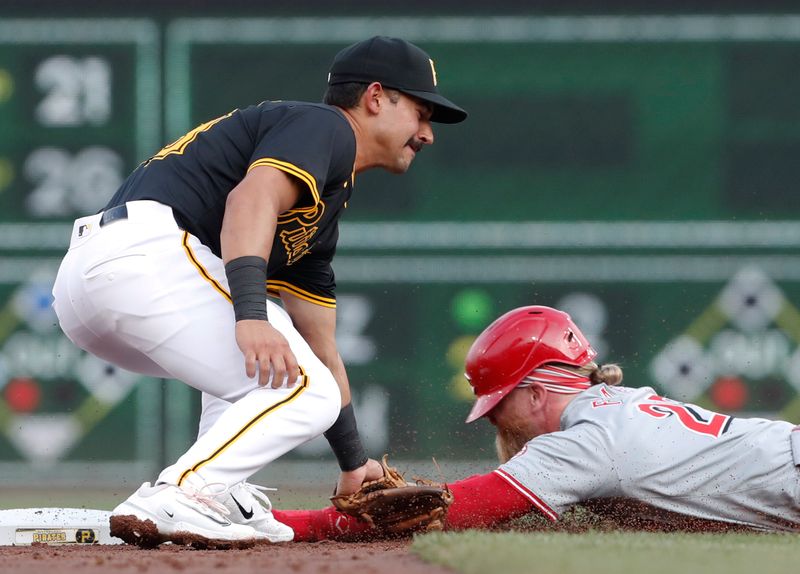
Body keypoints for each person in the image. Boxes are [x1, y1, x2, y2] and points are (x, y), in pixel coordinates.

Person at [51, 36, 467, 548]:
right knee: (295, 380)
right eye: (422, 112)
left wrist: (354, 462)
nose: (427, 133)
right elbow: (251, 198)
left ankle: (221, 492)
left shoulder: (324, 204)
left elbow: (320, 348)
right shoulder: (327, 127)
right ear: (376, 98)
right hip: (143, 257)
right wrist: (251, 314)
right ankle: (185, 492)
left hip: (99, 283)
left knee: (281, 366)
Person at [272, 305, 800, 539]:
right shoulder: (617, 405)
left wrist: (282, 524)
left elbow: (448, 512)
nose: (493, 419)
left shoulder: (587, 444)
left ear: (536, 392)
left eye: (499, 403)